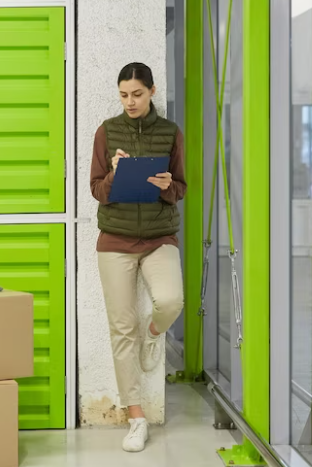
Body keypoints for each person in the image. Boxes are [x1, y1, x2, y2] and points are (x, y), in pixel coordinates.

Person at [90, 62, 186, 452]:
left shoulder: (170, 133)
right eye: (124, 95)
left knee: (170, 301)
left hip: (159, 237)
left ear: (151, 92)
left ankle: (153, 333)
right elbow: (96, 190)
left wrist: (166, 186)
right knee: (121, 327)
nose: (129, 102)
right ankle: (136, 417)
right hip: (115, 239)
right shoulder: (107, 132)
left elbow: (181, 187)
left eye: (137, 94)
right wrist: (114, 174)